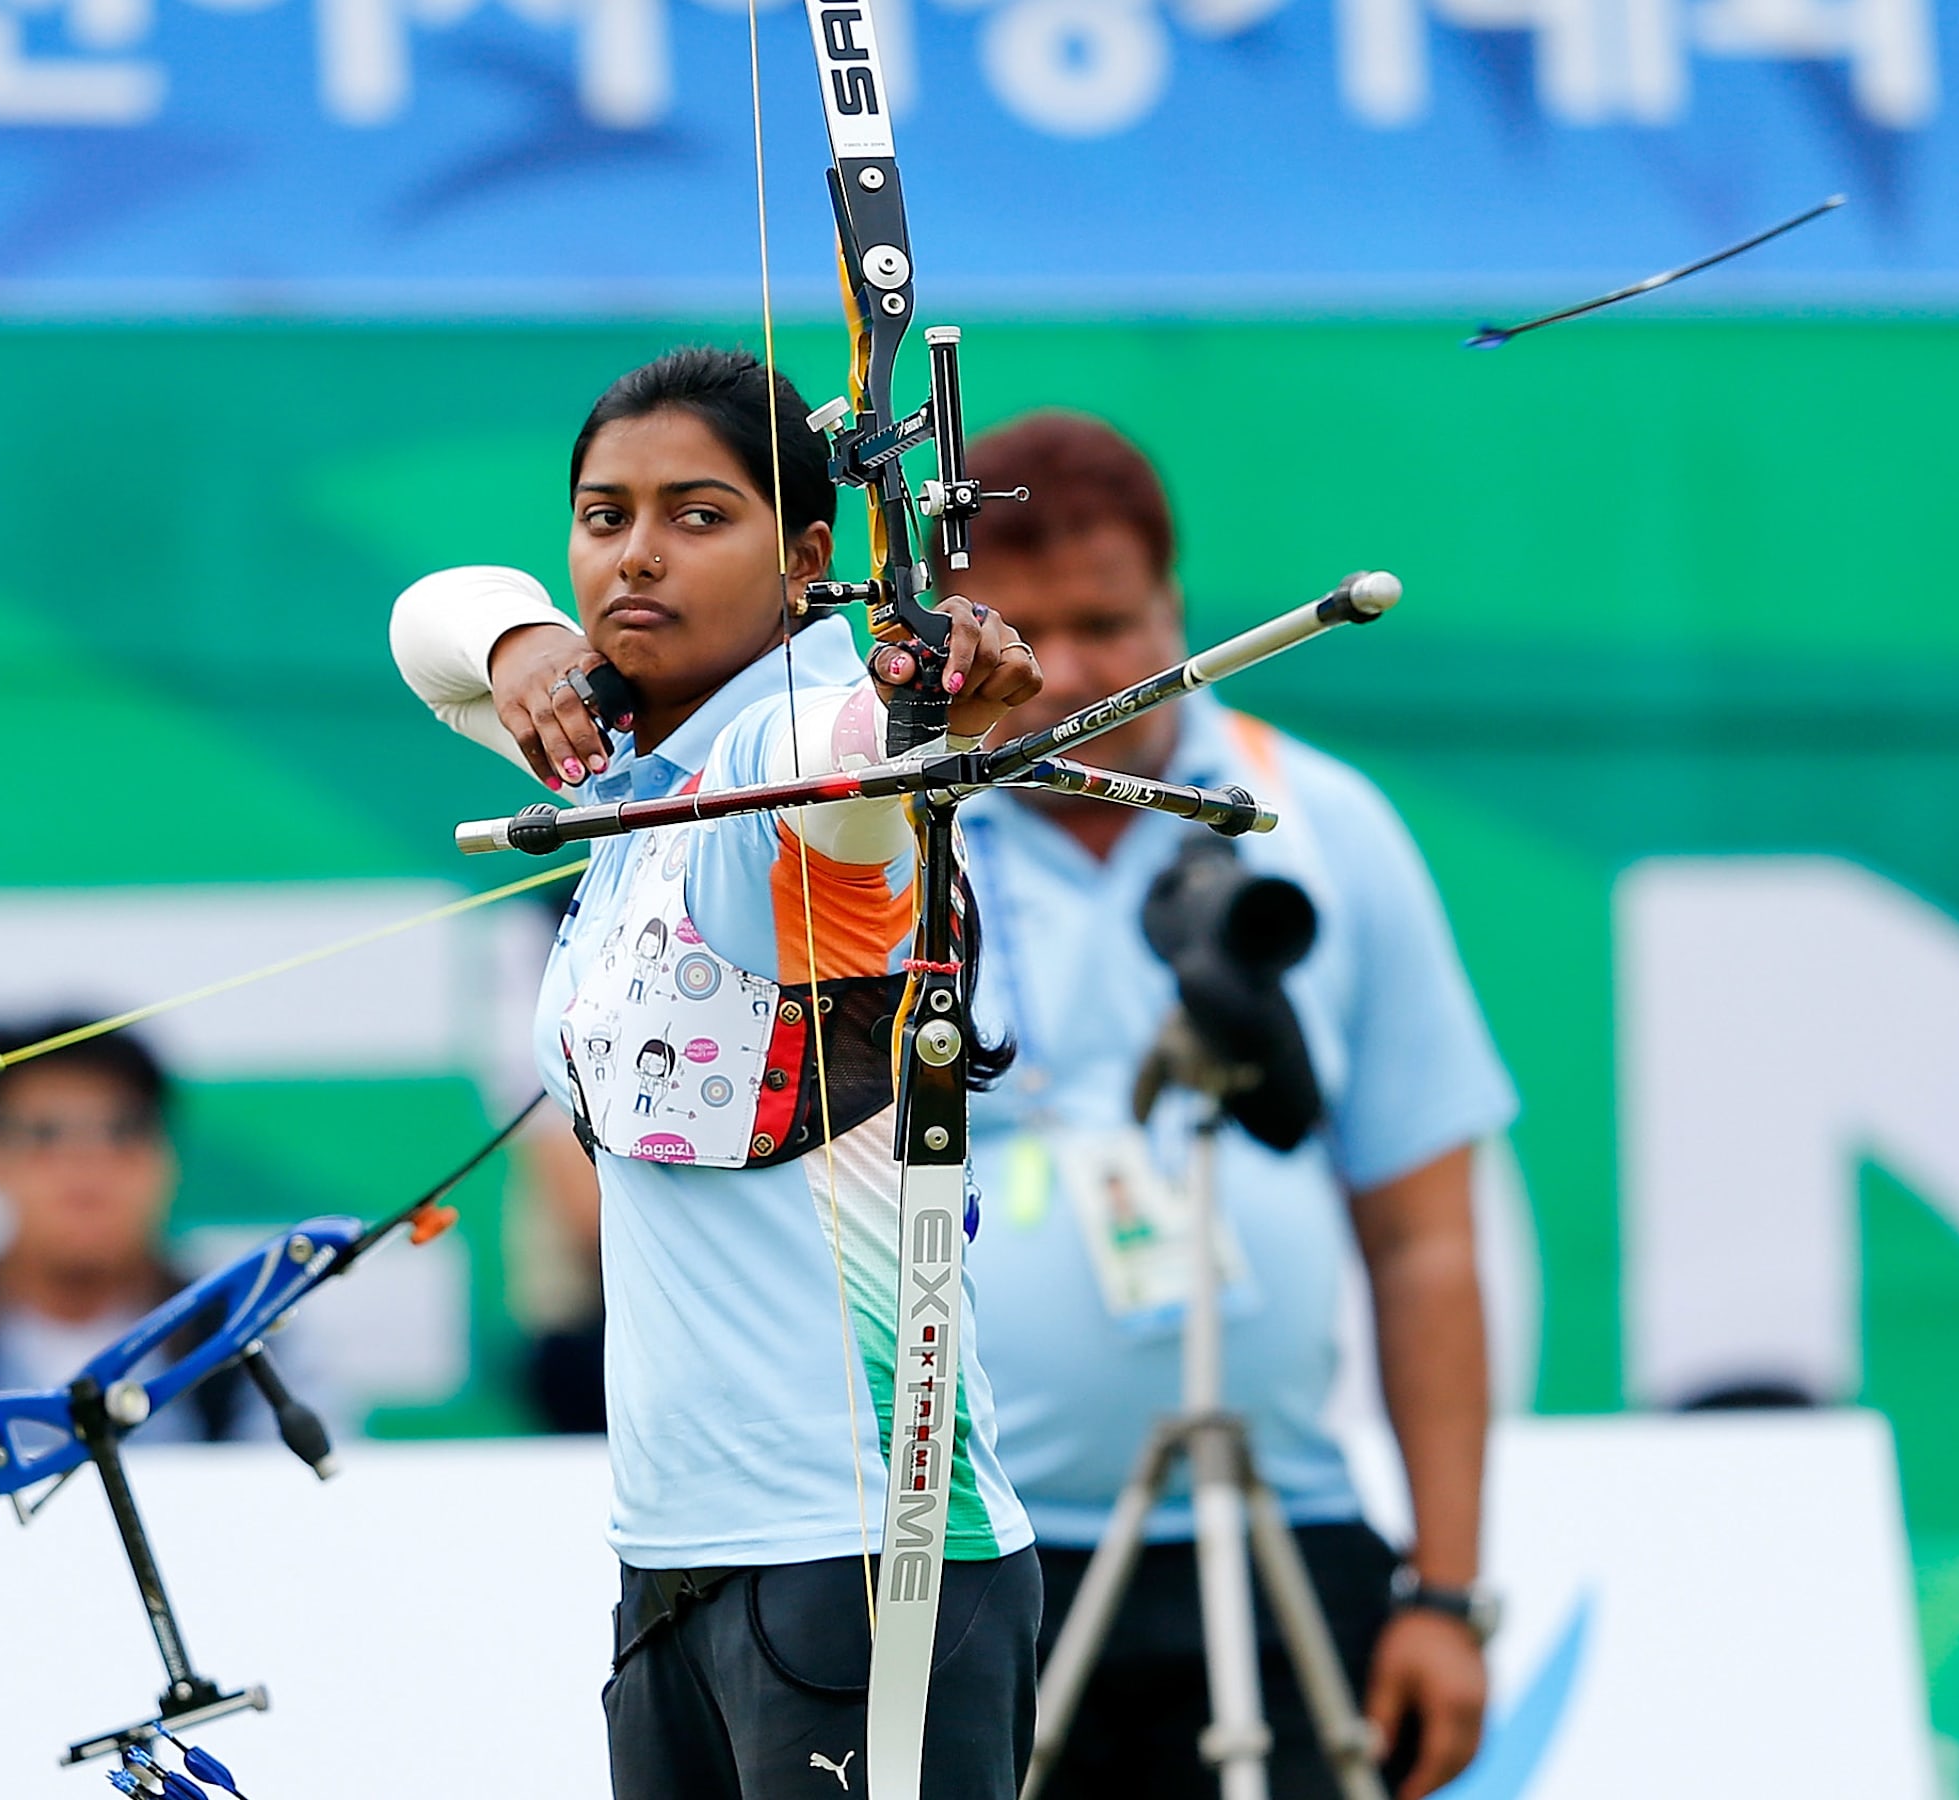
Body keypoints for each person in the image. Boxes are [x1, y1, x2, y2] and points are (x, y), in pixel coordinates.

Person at [391, 345, 1050, 1799]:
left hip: (866, 1562)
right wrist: (519, 649)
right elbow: (430, 620)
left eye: (699, 516)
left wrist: (930, 707)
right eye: (603, 514)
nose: (635, 556)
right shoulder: (632, 761)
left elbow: (861, 770)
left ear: (809, 554)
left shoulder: (787, 755)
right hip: (676, 1567)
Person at [950, 414, 1516, 1800]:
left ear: (1180, 606)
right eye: (1024, 636)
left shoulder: (1320, 820)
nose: (1069, 675)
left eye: (1107, 624)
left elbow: (1425, 1240)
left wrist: (1445, 1596)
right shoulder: (892, 832)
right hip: (965, 1550)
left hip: (1280, 1531)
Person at [0, 1020, 285, 1442]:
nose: (85, 1165)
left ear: (165, 1158)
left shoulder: (255, 1329)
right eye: (44, 1133)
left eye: (121, 1130)